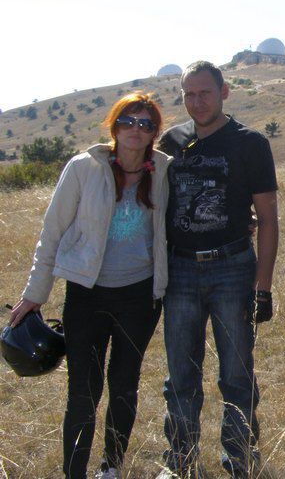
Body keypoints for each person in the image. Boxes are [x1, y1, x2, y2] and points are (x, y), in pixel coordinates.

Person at [9, 93, 169, 479]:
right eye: (128, 121)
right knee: (83, 390)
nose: (135, 129)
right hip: (86, 294)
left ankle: (110, 467)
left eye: (145, 123)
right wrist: (35, 293)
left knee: (124, 385)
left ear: (154, 132)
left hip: (140, 296)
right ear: (114, 126)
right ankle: (74, 472)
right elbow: (52, 231)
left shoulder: (165, 170)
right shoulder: (84, 167)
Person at [156, 61, 279, 479]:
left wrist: (263, 287)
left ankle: (239, 459)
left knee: (237, 374)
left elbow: (268, 220)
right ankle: (180, 462)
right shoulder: (171, 142)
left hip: (233, 268)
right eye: (189, 94)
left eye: (204, 92)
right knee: (180, 376)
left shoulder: (251, 143)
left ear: (224, 92)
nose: (197, 102)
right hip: (179, 270)